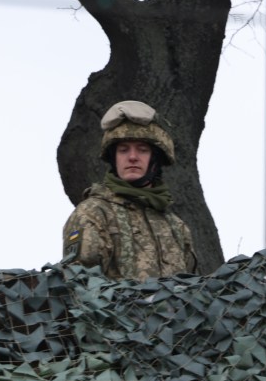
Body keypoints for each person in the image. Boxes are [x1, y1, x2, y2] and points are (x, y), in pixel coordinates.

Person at [62, 100, 198, 281]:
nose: (132, 157)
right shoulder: (94, 213)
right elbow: (80, 286)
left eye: (142, 150)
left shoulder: (176, 227)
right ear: (114, 158)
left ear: (155, 160)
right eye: (123, 150)